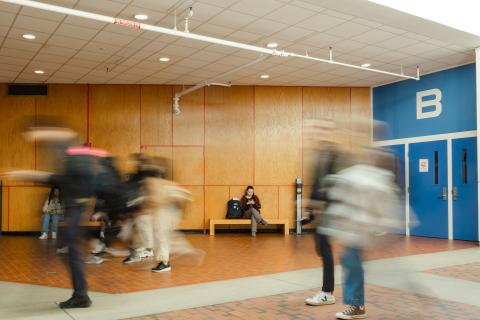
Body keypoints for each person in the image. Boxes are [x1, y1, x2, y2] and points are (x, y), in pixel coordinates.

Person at [3, 120, 100, 309]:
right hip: (75, 208)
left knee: (73, 251)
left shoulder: (76, 163)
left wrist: (39, 133)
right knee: (70, 249)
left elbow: (51, 174)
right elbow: (50, 176)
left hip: (75, 209)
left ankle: (81, 296)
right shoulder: (74, 166)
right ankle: (81, 294)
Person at [302, 119, 348, 307]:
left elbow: (335, 185)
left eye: (322, 129)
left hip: (331, 210)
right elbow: (315, 183)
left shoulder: (335, 154)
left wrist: (320, 204)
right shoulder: (318, 155)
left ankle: (327, 292)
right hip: (321, 210)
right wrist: (309, 211)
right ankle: (328, 290)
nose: (317, 133)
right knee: (321, 247)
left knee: (325, 247)